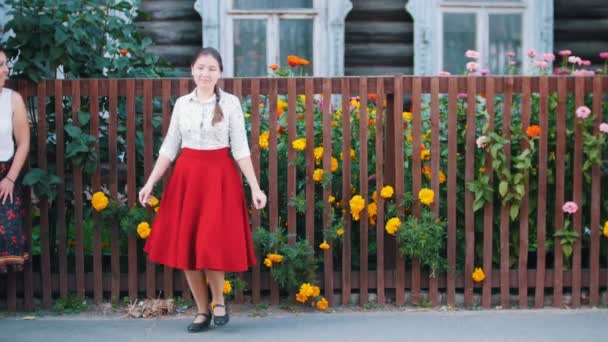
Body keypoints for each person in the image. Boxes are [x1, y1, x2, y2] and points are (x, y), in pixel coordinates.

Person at [139, 47, 266, 333]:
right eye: (200, 68)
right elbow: (170, 147)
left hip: (219, 178)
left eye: (211, 68)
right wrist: (150, 183)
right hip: (187, 179)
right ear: (192, 70)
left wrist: (256, 187)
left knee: (210, 242)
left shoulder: (231, 103)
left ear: (219, 73)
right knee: (187, 246)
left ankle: (219, 301)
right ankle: (201, 310)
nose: (205, 73)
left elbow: (241, 149)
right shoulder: (183, 103)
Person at [0, 47, 30, 273]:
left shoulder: (13, 99)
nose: (6, 69)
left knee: (7, 235)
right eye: (0, 65)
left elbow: (23, 143)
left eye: (5, 64)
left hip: (4, 176)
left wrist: (10, 179)